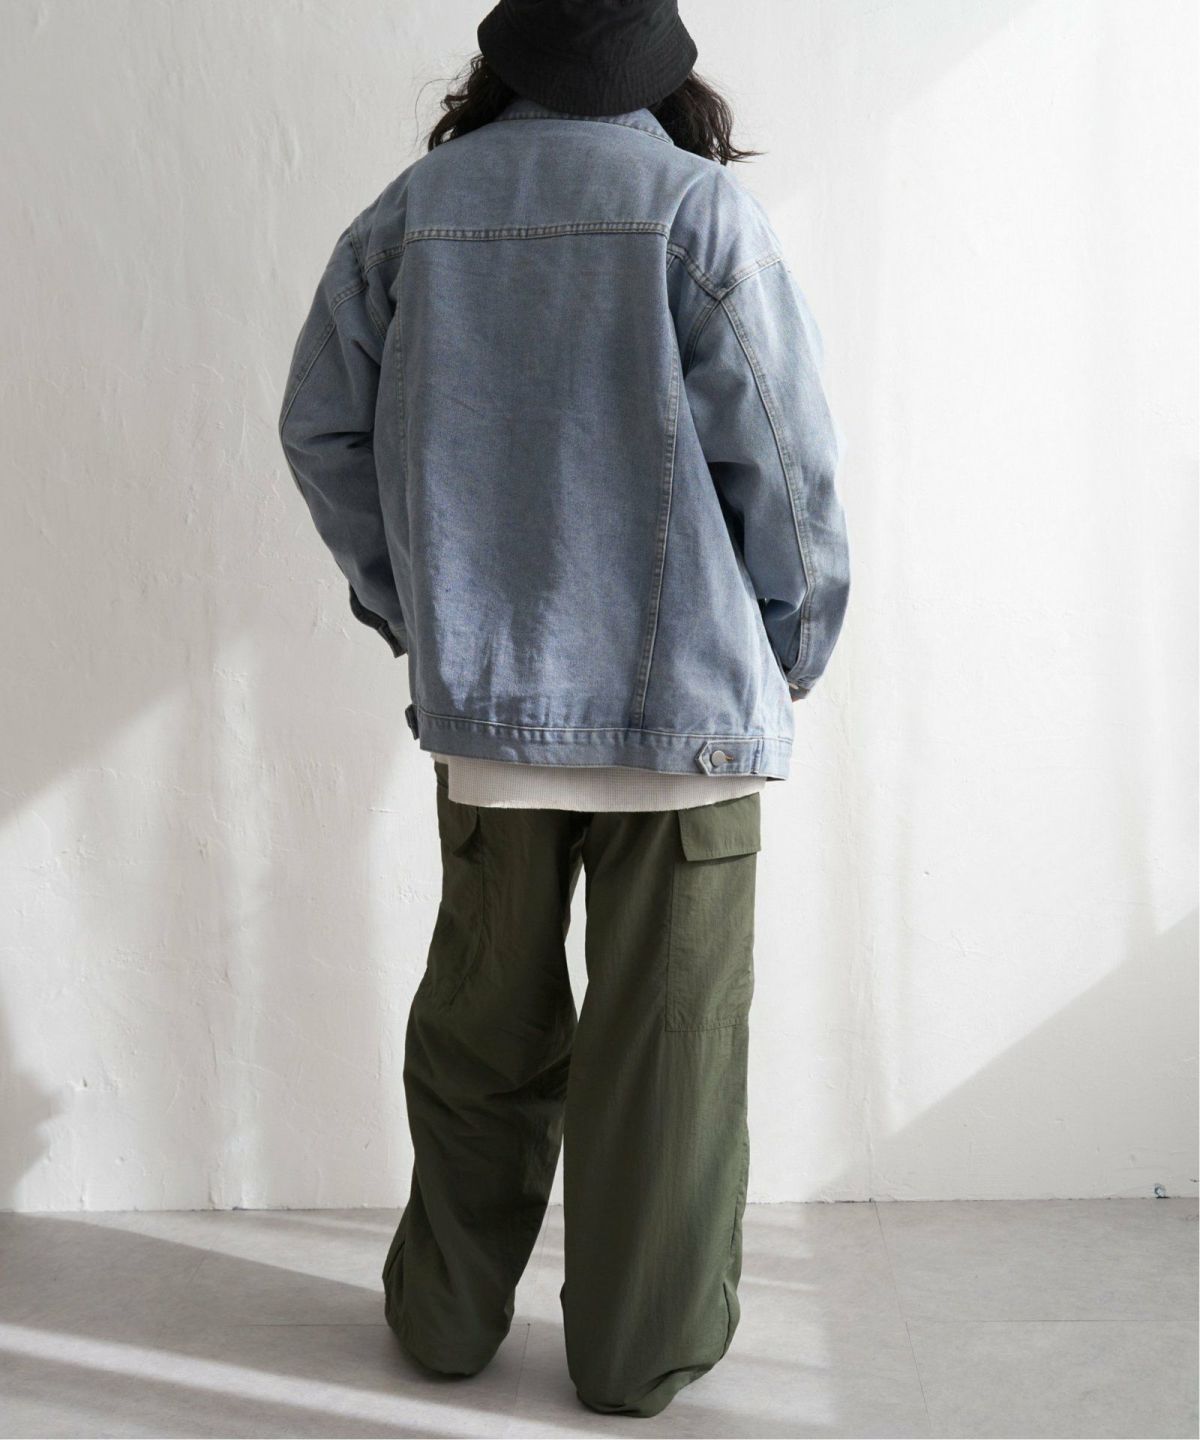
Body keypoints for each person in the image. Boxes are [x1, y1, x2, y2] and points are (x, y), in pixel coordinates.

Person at [279, 0, 850, 1418]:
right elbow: (785, 463)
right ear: (662, 71)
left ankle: (446, 1320)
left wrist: (418, 614)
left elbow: (321, 430)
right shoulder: (698, 213)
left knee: (482, 1032)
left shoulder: (409, 217)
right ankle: (636, 1356)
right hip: (688, 725)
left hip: (491, 718)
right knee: (669, 1061)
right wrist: (790, 643)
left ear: (502, 66)